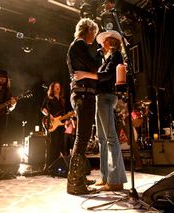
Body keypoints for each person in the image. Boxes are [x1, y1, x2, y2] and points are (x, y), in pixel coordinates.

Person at [74, 30, 128, 191]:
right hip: (101, 97)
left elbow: (105, 76)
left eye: (105, 41)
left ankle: (115, 179)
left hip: (106, 97)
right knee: (102, 139)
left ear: (111, 42)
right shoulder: (108, 57)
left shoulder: (116, 56)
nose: (102, 43)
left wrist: (85, 74)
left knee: (110, 137)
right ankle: (105, 177)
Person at [66, 18, 102, 195]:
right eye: (94, 33)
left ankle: (78, 178)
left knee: (82, 138)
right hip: (83, 95)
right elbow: (96, 67)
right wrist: (101, 55)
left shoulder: (76, 46)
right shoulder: (79, 45)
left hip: (81, 94)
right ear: (88, 30)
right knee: (82, 139)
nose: (94, 38)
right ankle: (75, 183)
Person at [41, 81, 65, 173]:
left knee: (59, 143)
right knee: (52, 144)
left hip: (60, 124)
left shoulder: (62, 99)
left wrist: (66, 120)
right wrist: (49, 115)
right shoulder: (49, 97)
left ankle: (56, 165)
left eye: (59, 86)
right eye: (56, 87)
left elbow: (62, 113)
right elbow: (43, 108)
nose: (58, 88)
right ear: (52, 88)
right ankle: (49, 166)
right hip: (51, 123)